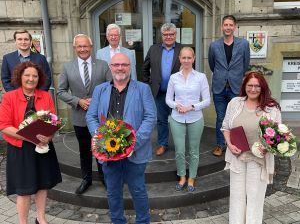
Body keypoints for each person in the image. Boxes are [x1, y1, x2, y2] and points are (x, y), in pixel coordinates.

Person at [86, 53, 156, 224]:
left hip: (135, 152)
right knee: (113, 191)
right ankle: (117, 220)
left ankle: (143, 221)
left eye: (124, 64)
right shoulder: (100, 89)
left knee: (138, 190)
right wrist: (101, 138)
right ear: (110, 67)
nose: (120, 68)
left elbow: (151, 117)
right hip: (108, 152)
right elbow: (91, 116)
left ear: (130, 67)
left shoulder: (142, 89)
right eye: (116, 64)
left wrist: (132, 143)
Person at [0, 61, 62, 224]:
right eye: (27, 75)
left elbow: (53, 121)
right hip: (20, 149)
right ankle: (23, 222)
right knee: (24, 189)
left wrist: (49, 136)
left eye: (35, 76)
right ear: (20, 77)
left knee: (42, 185)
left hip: (43, 147)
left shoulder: (45, 96)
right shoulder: (9, 97)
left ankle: (40, 218)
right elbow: (4, 126)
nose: (31, 79)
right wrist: (30, 137)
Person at [221, 71, 281, 224]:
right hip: (238, 156)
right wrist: (229, 143)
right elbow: (226, 127)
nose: (253, 89)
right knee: (236, 196)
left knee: (255, 198)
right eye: (250, 85)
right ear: (244, 86)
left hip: (259, 159)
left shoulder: (271, 108)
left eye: (257, 86)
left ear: (262, 87)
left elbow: (277, 136)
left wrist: (267, 148)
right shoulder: (234, 103)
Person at [57, 34, 112, 194]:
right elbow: (60, 91)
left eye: (85, 46)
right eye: (79, 46)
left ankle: (105, 178)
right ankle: (86, 179)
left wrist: (96, 99)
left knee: (102, 149)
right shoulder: (67, 67)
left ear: (91, 47)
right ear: (75, 48)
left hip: (101, 117)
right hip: (80, 117)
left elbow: (111, 87)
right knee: (84, 150)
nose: (83, 49)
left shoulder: (103, 65)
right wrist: (78, 101)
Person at [166, 47, 210, 192]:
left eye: (189, 58)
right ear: (179, 59)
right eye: (183, 58)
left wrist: (192, 106)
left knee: (193, 150)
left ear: (194, 58)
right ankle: (182, 176)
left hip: (195, 118)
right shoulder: (174, 77)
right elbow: (168, 99)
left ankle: (191, 177)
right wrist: (176, 105)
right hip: (177, 118)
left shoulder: (201, 77)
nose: (186, 60)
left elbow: (207, 101)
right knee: (179, 150)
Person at [208, 15, 250, 156]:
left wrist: (234, 76)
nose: (228, 27)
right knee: (221, 117)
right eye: (225, 25)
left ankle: (236, 144)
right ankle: (220, 145)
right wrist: (222, 75)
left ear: (235, 27)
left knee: (236, 117)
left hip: (235, 86)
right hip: (219, 87)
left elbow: (245, 64)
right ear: (222, 27)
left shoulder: (243, 44)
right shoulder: (214, 46)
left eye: (230, 25)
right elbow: (212, 65)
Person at [142, 22, 182, 156]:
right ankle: (163, 144)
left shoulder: (182, 49)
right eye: (166, 34)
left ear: (175, 34)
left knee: (179, 120)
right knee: (161, 120)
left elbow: (189, 68)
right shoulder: (154, 49)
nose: (169, 37)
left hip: (178, 93)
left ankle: (179, 145)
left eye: (171, 34)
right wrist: (149, 83)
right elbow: (145, 68)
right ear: (162, 35)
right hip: (159, 92)